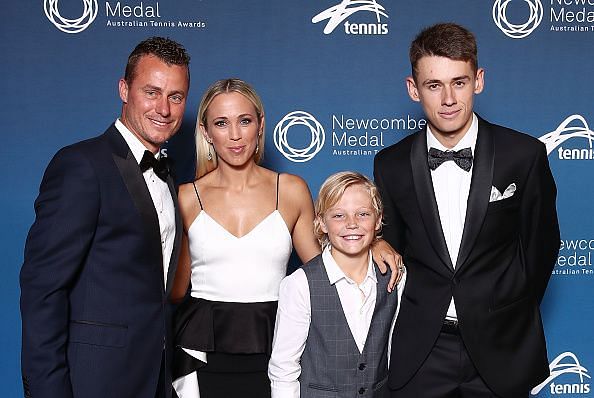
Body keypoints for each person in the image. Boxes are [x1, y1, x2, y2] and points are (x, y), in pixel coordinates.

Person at [170, 79, 403, 398]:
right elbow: (175, 291)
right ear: (207, 132)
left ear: (261, 125)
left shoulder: (290, 190)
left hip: (275, 344)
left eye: (245, 121)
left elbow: (322, 265)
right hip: (202, 351)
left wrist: (373, 242)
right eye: (222, 123)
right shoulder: (185, 198)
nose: (235, 135)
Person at [374, 23, 560, 398]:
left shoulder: (522, 155)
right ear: (413, 89)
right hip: (422, 348)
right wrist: (376, 242)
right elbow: (392, 247)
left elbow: (541, 248)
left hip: (500, 345)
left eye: (458, 82)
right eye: (433, 85)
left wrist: (503, 308)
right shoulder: (390, 164)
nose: (448, 98)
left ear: (479, 80)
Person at [20, 37, 190, 398]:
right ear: (124, 89)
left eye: (175, 97)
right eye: (152, 92)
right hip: (94, 381)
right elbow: (43, 290)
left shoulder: (169, 176)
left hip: (155, 380)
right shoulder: (82, 166)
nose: (164, 108)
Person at [268, 171, 405, 398]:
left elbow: (393, 351)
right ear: (321, 222)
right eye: (339, 216)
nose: (352, 224)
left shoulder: (394, 276)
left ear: (378, 219)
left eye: (363, 214)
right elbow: (284, 369)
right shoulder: (300, 284)